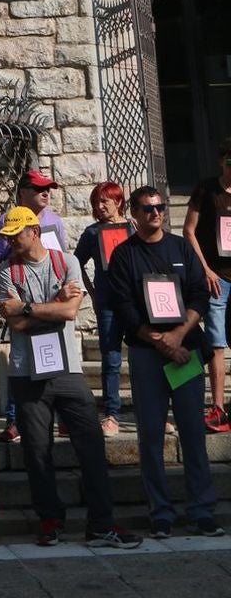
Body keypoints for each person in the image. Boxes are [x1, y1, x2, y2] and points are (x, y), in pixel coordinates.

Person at [0, 206, 141, 549]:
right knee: (36, 450)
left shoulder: (66, 262)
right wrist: (52, 305)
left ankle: (101, 523)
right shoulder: (7, 271)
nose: (11, 242)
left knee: (90, 445)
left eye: (15, 234)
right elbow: (15, 324)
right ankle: (50, 519)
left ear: (33, 231)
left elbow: (70, 312)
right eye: (7, 236)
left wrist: (29, 307)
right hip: (25, 371)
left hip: (67, 368)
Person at [107, 187, 222, 538]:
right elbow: (124, 306)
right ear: (135, 214)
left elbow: (199, 295)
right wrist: (158, 340)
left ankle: (201, 511)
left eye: (159, 207)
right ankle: (161, 513)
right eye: (148, 208)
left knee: (191, 432)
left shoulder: (180, 248)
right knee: (151, 436)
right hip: (147, 354)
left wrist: (177, 336)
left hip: (184, 352)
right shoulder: (125, 255)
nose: (156, 213)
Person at [0, 171, 70, 443]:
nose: (45, 193)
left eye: (48, 189)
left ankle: (61, 418)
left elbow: (62, 261)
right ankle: (14, 420)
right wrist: (12, 293)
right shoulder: (5, 222)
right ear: (22, 192)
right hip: (22, 299)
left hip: (52, 302)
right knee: (21, 359)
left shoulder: (55, 222)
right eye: (38, 189)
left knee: (58, 361)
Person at [74, 182, 135, 437]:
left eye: (104, 202)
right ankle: (112, 414)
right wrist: (92, 290)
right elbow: (76, 263)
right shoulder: (91, 233)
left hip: (134, 303)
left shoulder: (132, 228)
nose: (100, 207)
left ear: (118, 201)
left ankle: (150, 411)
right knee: (110, 359)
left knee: (141, 358)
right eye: (96, 203)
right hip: (107, 304)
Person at [181, 138, 231, 432]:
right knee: (216, 344)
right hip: (216, 279)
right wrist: (206, 270)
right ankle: (218, 408)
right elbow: (188, 231)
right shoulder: (206, 189)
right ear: (222, 161)